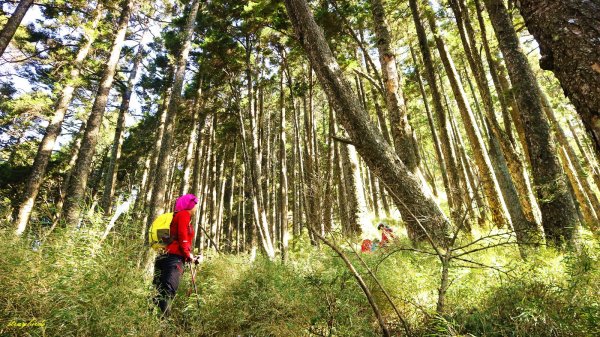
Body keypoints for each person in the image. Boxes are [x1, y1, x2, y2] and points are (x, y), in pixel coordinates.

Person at [152, 194, 199, 315]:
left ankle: (149, 323)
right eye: (195, 205)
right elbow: (183, 237)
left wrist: (189, 255)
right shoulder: (183, 215)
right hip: (173, 259)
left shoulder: (177, 216)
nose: (196, 208)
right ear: (190, 205)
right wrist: (188, 255)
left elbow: (179, 239)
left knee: (158, 291)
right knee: (167, 292)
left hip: (164, 256)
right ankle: (165, 327)